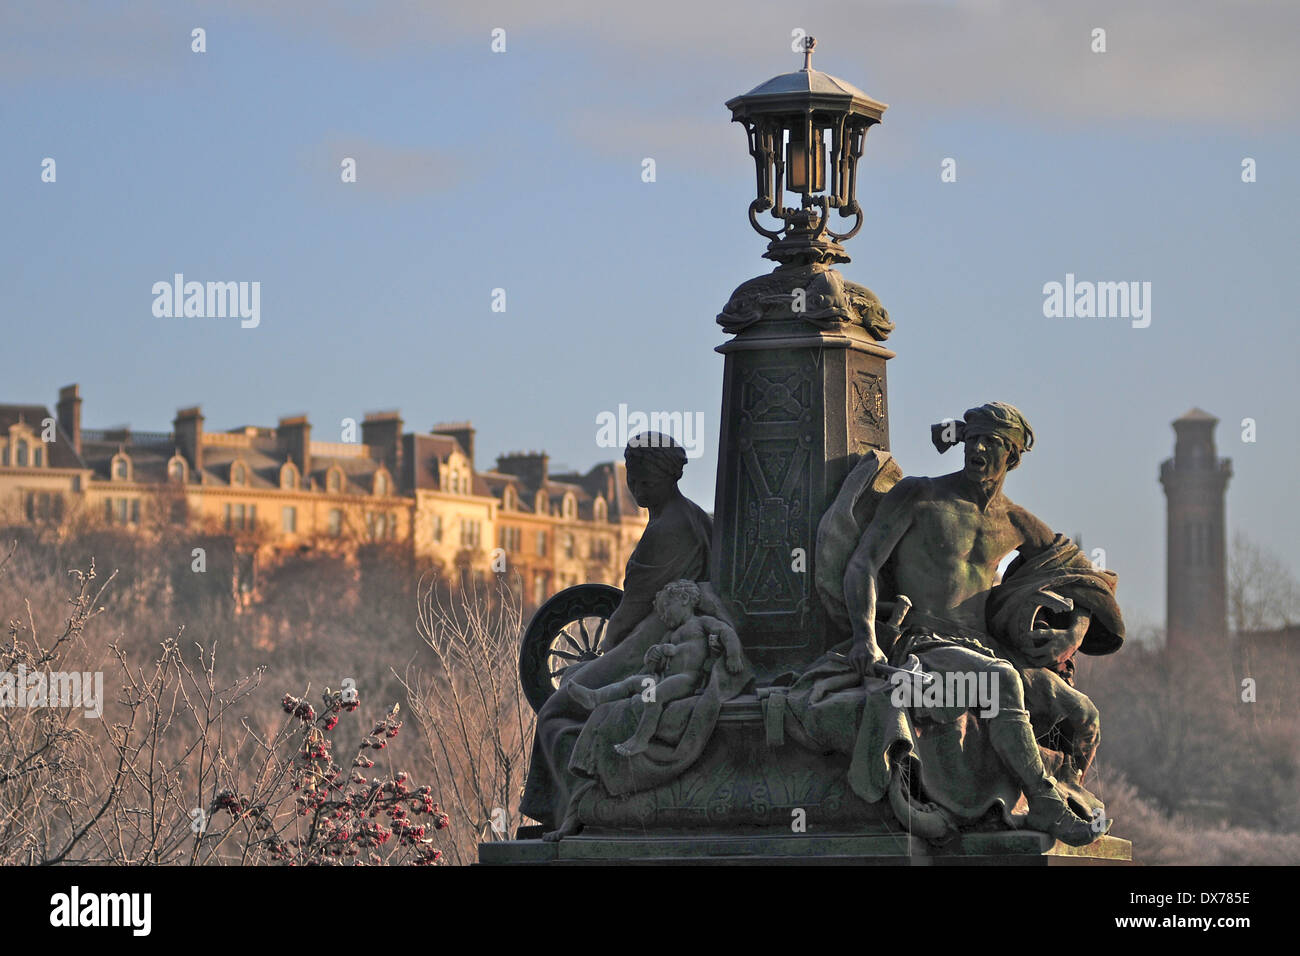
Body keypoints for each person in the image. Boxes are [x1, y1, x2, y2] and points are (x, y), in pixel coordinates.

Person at [842, 401, 1102, 846]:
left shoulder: (1017, 521)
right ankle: (1044, 802)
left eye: (992, 442)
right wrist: (866, 636)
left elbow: (1087, 582)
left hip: (986, 648)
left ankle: (1064, 792)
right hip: (924, 642)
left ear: (1012, 457)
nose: (977, 447)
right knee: (1000, 679)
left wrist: (1072, 631)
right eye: (972, 437)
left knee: (1083, 714)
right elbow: (862, 564)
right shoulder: (919, 495)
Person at [519, 433, 714, 835]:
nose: (637, 488)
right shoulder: (688, 515)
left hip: (650, 640)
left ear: (670, 476)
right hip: (660, 636)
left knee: (556, 709)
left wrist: (606, 654)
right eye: (633, 479)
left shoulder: (668, 529)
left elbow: (628, 612)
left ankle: (578, 809)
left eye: (646, 481)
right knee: (572, 690)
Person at [568, 579, 744, 756]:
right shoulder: (670, 634)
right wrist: (653, 655)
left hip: (687, 679)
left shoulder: (701, 623)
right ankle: (595, 697)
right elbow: (652, 664)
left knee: (655, 696)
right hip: (662, 679)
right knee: (631, 683)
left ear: (684, 599)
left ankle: (641, 739)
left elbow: (726, 632)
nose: (663, 616)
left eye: (666, 607)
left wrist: (733, 655)